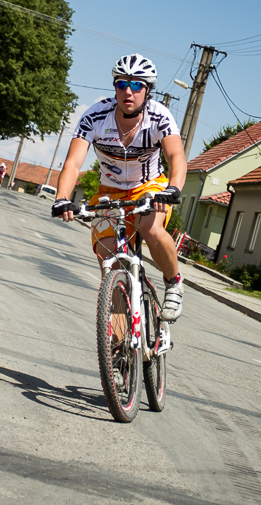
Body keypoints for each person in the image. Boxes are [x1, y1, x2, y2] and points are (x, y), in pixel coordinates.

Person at [51, 54, 187, 321]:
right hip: (109, 192)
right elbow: (73, 162)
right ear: (114, 87)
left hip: (150, 187)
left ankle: (174, 283)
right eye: (121, 84)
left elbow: (176, 158)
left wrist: (172, 189)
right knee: (108, 258)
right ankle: (119, 346)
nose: (128, 91)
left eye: (137, 85)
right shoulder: (95, 116)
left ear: (147, 90)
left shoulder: (159, 116)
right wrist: (62, 197)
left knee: (150, 228)